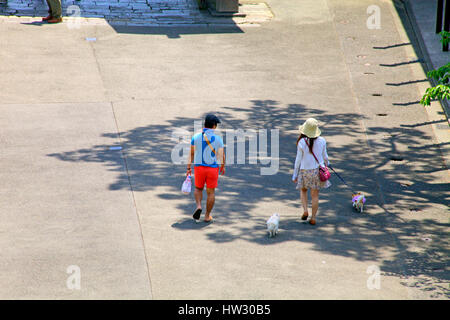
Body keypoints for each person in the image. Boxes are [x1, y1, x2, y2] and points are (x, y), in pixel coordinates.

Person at [187, 114, 225, 222]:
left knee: (198, 189)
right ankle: (207, 216)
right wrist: (223, 165)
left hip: (199, 168)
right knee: (211, 192)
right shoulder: (218, 139)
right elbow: (221, 155)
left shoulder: (196, 137)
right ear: (213, 126)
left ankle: (199, 206)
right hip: (212, 169)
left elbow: (192, 153)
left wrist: (188, 168)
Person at [292, 118, 330, 225]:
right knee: (315, 196)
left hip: (305, 171)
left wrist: (295, 175)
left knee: (303, 190)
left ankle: (305, 210)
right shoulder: (322, 141)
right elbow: (325, 157)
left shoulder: (301, 142)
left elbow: (298, 160)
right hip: (317, 171)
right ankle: (313, 218)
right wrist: (327, 165)